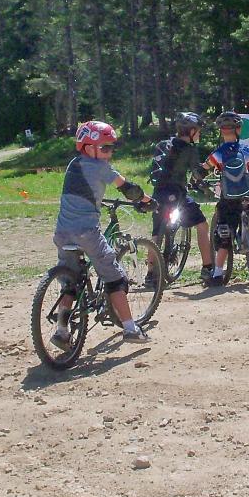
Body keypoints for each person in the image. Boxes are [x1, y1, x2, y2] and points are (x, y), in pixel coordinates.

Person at [51, 120, 154, 348]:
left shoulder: (73, 165)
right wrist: (148, 201)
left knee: (70, 282)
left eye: (111, 148)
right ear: (88, 148)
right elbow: (129, 189)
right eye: (105, 148)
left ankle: (61, 331)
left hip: (62, 232)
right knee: (114, 277)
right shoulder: (100, 168)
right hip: (87, 232)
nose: (110, 153)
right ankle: (130, 328)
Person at [150, 111, 215, 283]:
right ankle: (207, 267)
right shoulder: (190, 149)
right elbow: (196, 173)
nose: (199, 134)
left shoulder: (163, 144)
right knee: (202, 224)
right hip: (177, 195)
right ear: (192, 131)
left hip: (158, 194)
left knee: (157, 233)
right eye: (198, 131)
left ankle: (151, 274)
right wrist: (204, 183)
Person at [202, 111, 249, 286]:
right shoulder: (246, 150)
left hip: (228, 200)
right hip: (247, 197)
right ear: (239, 130)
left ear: (221, 131)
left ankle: (218, 273)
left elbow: (204, 168)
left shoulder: (217, 154)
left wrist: (196, 178)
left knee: (224, 234)